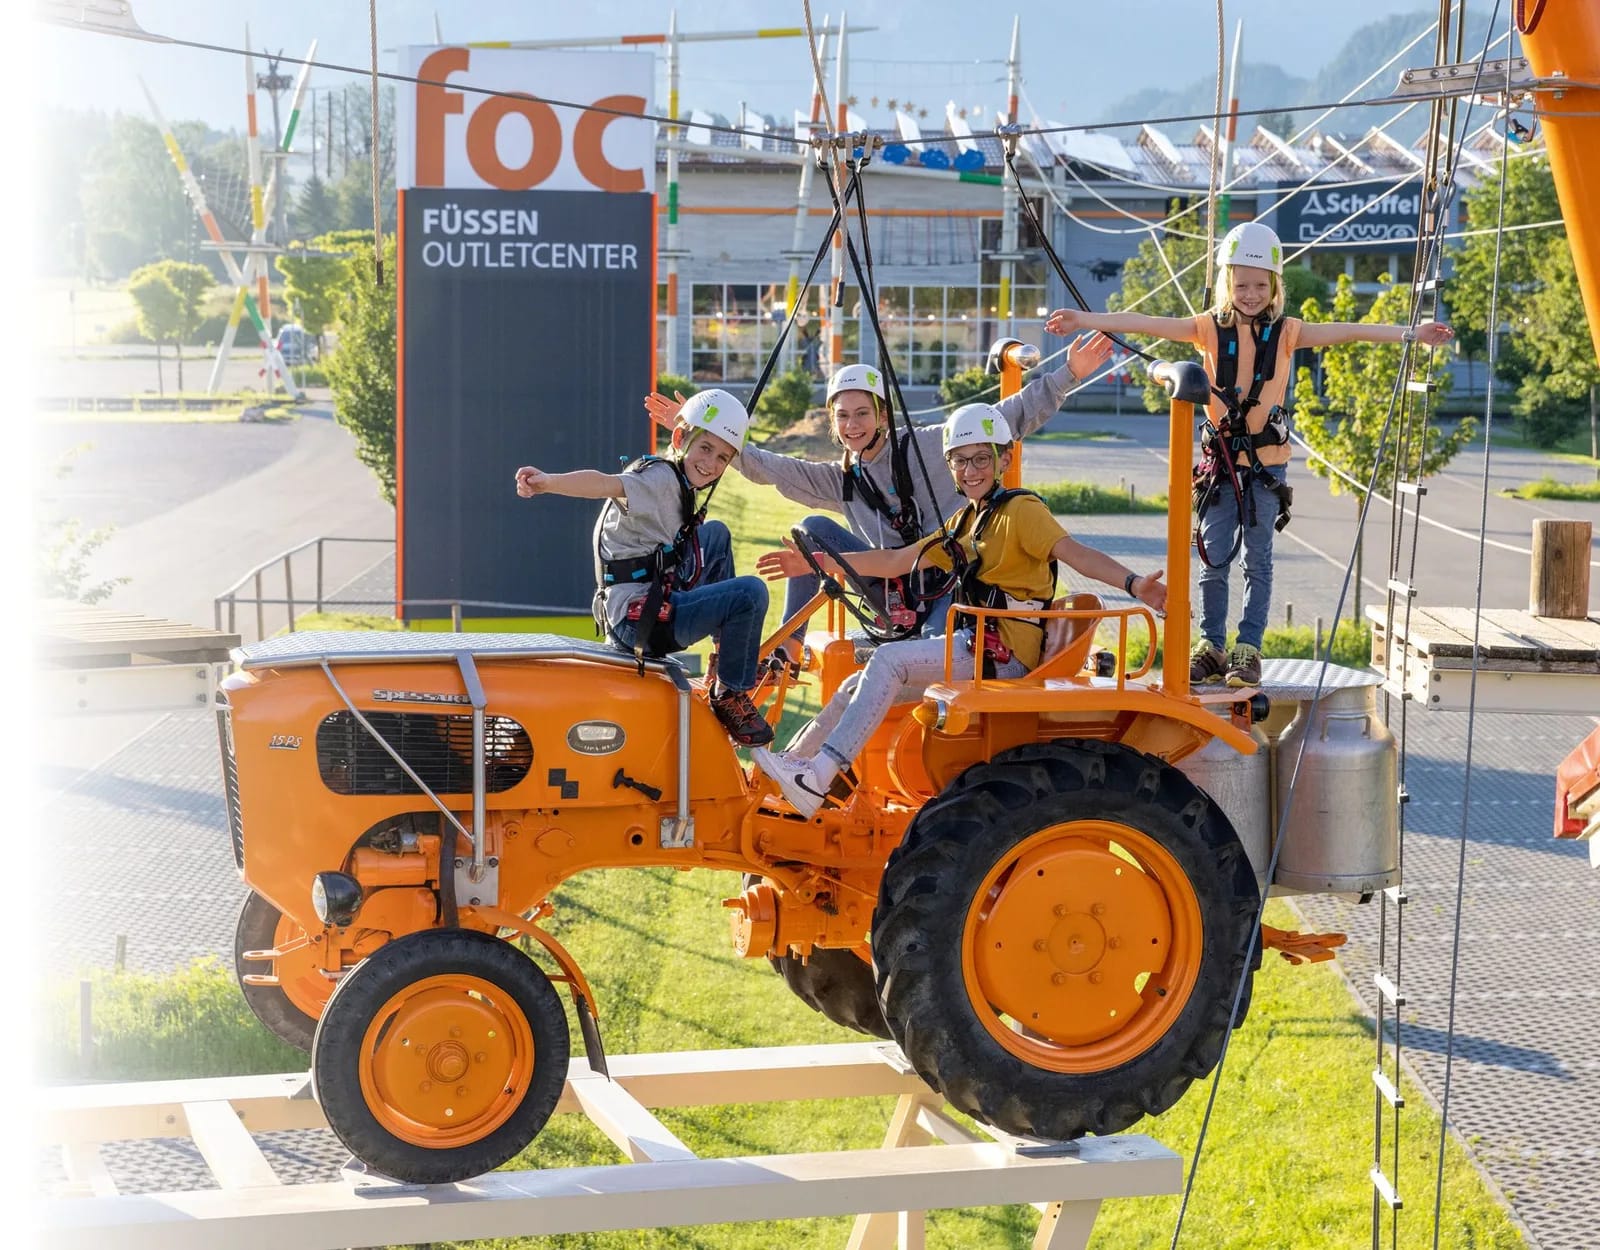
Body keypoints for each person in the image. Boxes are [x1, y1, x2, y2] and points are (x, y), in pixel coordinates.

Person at [1046, 221, 1455, 687]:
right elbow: (1143, 323)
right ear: (1227, 285)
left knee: (1257, 561)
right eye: (1241, 285)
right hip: (1220, 467)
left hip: (1265, 468)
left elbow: (1347, 332)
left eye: (1260, 285)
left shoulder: (1287, 332)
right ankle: (1212, 645)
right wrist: (1086, 320)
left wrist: (1411, 334)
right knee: (1214, 559)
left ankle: (1248, 648)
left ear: (1274, 286)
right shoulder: (1206, 329)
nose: (1251, 293)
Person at [748, 403, 1169, 818]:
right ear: (950, 467)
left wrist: (1134, 585)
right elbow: (897, 561)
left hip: (1003, 656)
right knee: (854, 685)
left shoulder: (1022, 512)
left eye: (982, 459)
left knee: (887, 661)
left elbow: (1077, 554)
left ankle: (821, 775)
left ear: (1004, 459)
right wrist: (821, 563)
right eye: (960, 461)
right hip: (975, 647)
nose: (971, 471)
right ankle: (791, 770)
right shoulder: (967, 522)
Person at [645, 334, 1115, 662]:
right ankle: (790, 645)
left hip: (946, 587)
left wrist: (1069, 373)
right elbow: (774, 470)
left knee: (936, 657)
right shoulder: (842, 479)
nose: (853, 425)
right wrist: (709, 435)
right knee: (811, 531)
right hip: (889, 590)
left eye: (863, 414)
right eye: (844, 416)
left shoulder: (930, 446)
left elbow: (1008, 416)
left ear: (882, 415)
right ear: (833, 422)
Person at [514, 389, 774, 746]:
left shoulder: (676, 478)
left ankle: (725, 657)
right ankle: (729, 693)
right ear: (681, 438)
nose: (711, 464)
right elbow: (606, 484)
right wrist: (549, 483)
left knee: (715, 536)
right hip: (641, 623)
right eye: (705, 449)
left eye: (723, 458)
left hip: (648, 597)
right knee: (750, 593)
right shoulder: (660, 482)